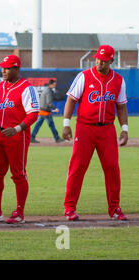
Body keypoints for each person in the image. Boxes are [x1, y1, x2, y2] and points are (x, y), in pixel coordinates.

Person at [62, 44, 128, 221]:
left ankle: (114, 208)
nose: (99, 62)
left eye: (104, 60)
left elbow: (121, 106)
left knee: (112, 168)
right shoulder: (84, 76)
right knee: (77, 167)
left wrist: (124, 129)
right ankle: (69, 208)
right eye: (98, 59)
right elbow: (71, 99)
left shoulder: (118, 80)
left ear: (111, 61)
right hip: (84, 128)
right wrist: (66, 123)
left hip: (107, 129)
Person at [0, 55, 39, 224]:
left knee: (18, 174)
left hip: (17, 135)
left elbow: (33, 114)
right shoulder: (1, 87)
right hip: (0, 134)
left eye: (7, 68)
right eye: (2, 67)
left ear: (16, 69)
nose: (3, 71)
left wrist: (18, 129)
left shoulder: (26, 88)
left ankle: (19, 212)